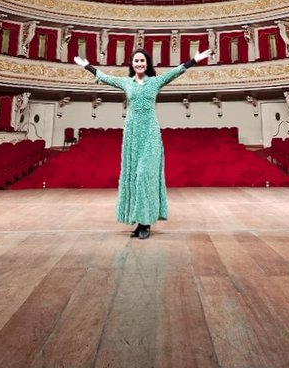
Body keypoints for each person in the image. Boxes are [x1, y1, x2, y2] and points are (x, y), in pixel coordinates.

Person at [74, 47, 212, 238]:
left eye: (142, 61)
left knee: (143, 176)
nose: (139, 63)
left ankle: (146, 222)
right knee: (134, 178)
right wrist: (87, 66)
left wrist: (193, 60)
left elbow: (174, 72)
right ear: (132, 64)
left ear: (147, 64)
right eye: (136, 61)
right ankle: (140, 223)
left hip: (150, 134)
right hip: (131, 135)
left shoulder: (155, 82)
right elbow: (105, 77)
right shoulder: (126, 83)